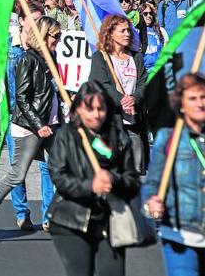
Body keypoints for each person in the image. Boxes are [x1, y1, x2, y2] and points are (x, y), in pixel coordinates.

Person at [0, 16, 62, 244]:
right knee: (16, 175)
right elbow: (22, 98)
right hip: (29, 127)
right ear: (42, 35)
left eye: (60, 36)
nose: (58, 41)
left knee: (62, 169)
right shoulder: (26, 60)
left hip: (51, 125)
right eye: (55, 36)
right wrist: (38, 125)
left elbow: (50, 93)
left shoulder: (51, 59)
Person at [48, 81, 139, 276]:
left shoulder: (119, 137)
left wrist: (113, 180)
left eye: (101, 108)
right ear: (78, 109)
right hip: (72, 220)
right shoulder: (67, 135)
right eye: (89, 109)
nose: (96, 114)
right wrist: (90, 186)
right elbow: (58, 176)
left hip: (110, 220)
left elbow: (132, 179)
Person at [143, 73, 205, 276]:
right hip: (181, 236)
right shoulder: (169, 138)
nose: (200, 103)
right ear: (180, 104)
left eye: (203, 97)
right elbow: (152, 184)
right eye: (192, 98)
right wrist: (151, 203)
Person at [4, 1, 55, 231]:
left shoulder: (46, 53)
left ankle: (49, 215)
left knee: (47, 167)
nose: (37, 26)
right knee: (19, 170)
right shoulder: (10, 49)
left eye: (40, 21)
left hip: (43, 118)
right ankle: (22, 213)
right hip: (17, 118)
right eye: (33, 21)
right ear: (22, 21)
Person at [89, 14, 148, 174]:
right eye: (122, 31)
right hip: (110, 123)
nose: (127, 34)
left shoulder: (136, 57)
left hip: (133, 122)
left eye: (128, 30)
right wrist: (122, 100)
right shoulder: (101, 57)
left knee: (135, 169)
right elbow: (100, 84)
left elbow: (144, 83)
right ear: (110, 33)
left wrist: (134, 99)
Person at [137, 2, 168, 72]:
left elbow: (165, 51)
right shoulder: (136, 30)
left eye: (150, 13)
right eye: (145, 14)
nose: (149, 16)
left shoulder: (161, 30)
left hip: (157, 69)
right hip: (142, 70)